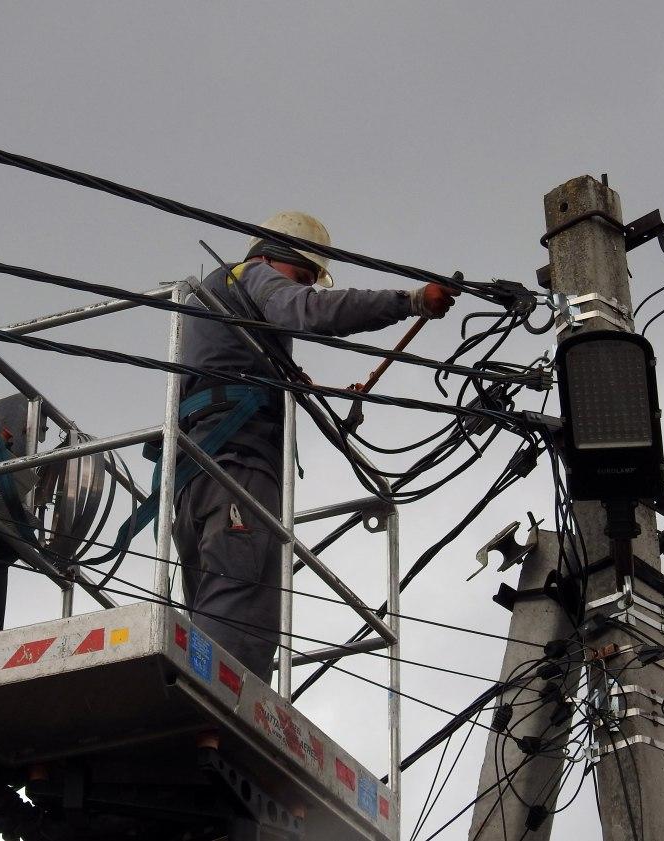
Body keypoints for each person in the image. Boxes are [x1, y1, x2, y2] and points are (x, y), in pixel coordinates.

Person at [172, 211, 457, 683]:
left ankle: (201, 710)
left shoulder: (222, 313)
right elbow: (307, 310)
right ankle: (213, 715)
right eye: (302, 276)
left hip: (196, 476)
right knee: (241, 609)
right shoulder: (252, 274)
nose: (306, 288)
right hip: (235, 464)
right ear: (271, 256)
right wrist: (409, 300)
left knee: (217, 602)